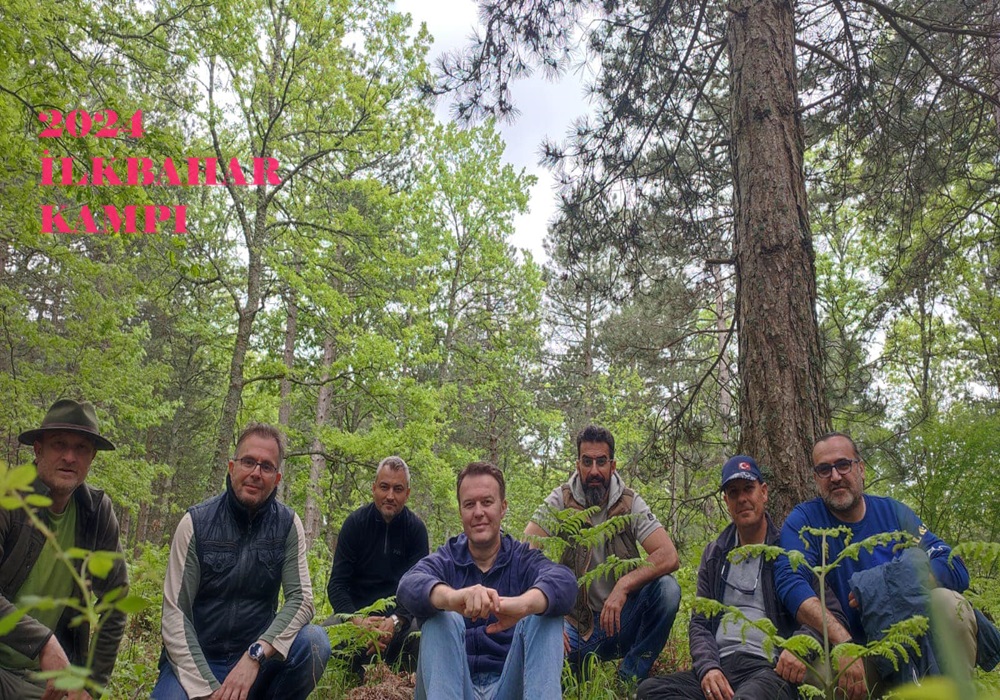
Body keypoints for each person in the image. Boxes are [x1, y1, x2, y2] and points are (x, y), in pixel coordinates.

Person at [774, 431, 983, 699]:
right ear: (816, 478)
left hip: (915, 646)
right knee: (813, 677)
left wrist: (892, 585)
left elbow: (953, 565)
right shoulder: (804, 521)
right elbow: (790, 582)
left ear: (860, 469)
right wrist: (844, 643)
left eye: (843, 464)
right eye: (824, 469)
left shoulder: (894, 513)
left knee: (950, 604)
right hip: (856, 658)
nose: (835, 476)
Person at [638, 455, 845, 700]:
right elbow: (700, 623)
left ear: (764, 492)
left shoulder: (788, 550)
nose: (742, 499)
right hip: (721, 668)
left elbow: (829, 614)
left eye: (748, 488)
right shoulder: (715, 554)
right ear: (726, 501)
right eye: (733, 493)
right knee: (650, 691)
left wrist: (799, 646)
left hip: (769, 669)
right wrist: (708, 668)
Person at [152, 422, 331, 699]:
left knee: (315, 642)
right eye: (248, 462)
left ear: (277, 478)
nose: (256, 473)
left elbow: (302, 600)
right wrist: (207, 689)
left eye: (266, 466)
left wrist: (255, 654)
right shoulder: (195, 522)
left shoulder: (287, 524)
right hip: (199, 660)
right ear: (231, 467)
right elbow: (175, 613)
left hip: (257, 661)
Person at [396, 461, 578, 699]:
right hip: (454, 687)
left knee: (544, 613)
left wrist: (523, 606)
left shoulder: (522, 559)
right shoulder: (446, 559)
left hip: (509, 688)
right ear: (460, 512)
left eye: (487, 502)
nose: (478, 512)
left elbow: (565, 582)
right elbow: (408, 585)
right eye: (469, 504)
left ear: (503, 508)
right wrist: (451, 598)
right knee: (442, 618)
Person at [524, 424, 682, 682]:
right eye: (587, 462)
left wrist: (624, 585)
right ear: (578, 465)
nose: (594, 470)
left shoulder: (629, 503)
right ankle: (578, 674)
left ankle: (629, 679)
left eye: (601, 462)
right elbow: (526, 551)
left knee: (668, 590)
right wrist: (547, 615)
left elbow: (668, 554)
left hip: (621, 620)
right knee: (543, 647)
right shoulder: (561, 500)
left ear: (613, 465)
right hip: (574, 623)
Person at [0, 399, 128, 699]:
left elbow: (116, 601)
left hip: (47, 683)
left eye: (81, 448)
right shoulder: (8, 499)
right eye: (59, 444)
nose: (70, 457)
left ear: (92, 457)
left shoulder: (96, 512)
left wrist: (91, 687)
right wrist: (43, 642)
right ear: (38, 449)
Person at [325, 455, 429, 675]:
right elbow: (337, 585)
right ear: (374, 488)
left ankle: (406, 684)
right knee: (321, 636)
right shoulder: (355, 525)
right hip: (356, 622)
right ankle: (346, 678)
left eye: (398, 489)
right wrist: (357, 620)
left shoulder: (416, 531)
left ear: (407, 493)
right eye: (384, 487)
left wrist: (396, 621)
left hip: (399, 625)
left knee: (424, 632)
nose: (390, 496)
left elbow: (419, 588)